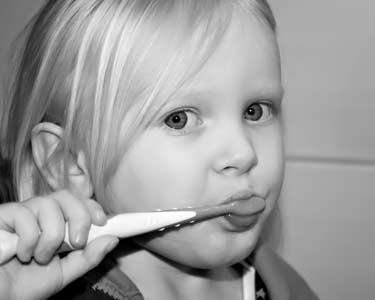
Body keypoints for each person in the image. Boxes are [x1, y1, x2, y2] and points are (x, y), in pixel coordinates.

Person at [0, 0, 319, 299]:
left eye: (255, 111)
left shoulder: (279, 285)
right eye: (179, 119)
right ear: (68, 163)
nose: (243, 153)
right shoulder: (33, 290)